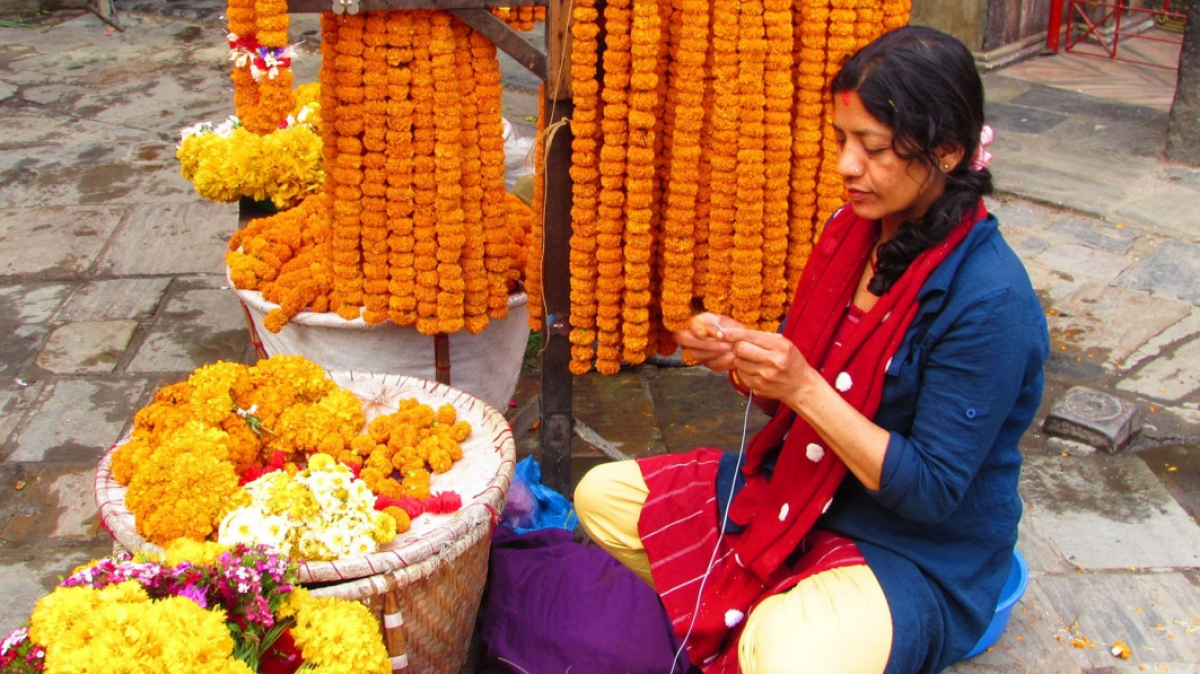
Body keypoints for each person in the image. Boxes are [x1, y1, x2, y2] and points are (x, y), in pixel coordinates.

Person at [573, 25, 1049, 674]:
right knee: (600, 496)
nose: (846, 167)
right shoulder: (849, 232)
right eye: (841, 140)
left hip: (911, 547)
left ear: (948, 150)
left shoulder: (988, 300)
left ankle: (785, 619)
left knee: (788, 650)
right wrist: (743, 357)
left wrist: (801, 385)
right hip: (797, 482)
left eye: (873, 147)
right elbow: (799, 396)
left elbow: (932, 490)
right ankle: (774, 609)